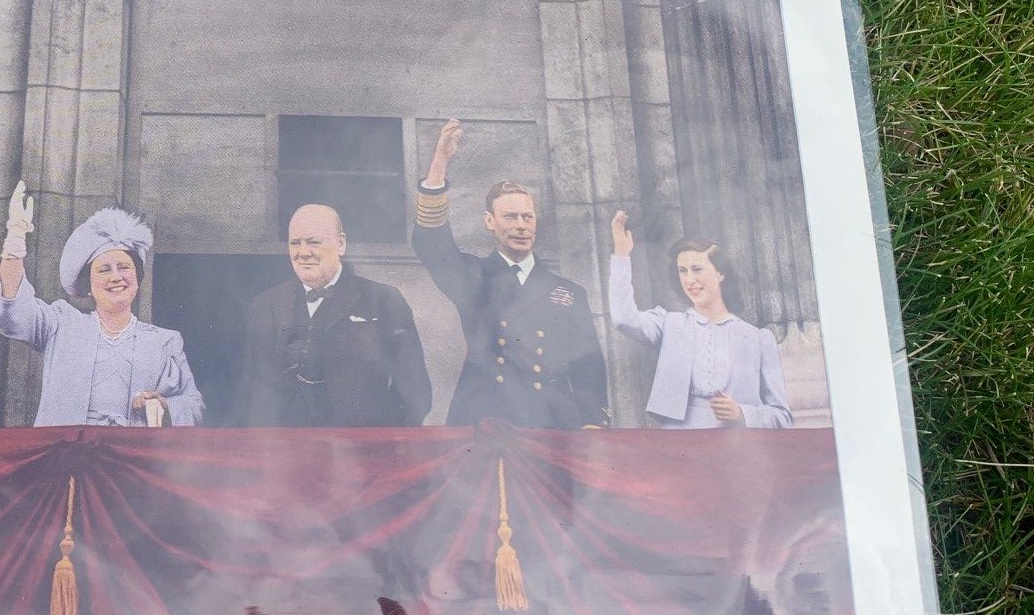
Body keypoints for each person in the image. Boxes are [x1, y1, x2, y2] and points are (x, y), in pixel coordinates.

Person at [412, 119, 608, 429]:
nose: (521, 226)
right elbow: (431, 245)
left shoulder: (568, 292)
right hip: (486, 417)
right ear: (490, 221)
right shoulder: (472, 277)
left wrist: (593, 421)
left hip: (550, 420)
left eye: (527, 217)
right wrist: (439, 165)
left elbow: (588, 364)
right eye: (511, 217)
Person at [0, 184, 203, 426]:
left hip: (131, 449)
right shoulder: (61, 324)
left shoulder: (165, 342)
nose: (116, 277)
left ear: (138, 279)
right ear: (88, 284)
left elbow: (194, 406)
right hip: (66, 447)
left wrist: (164, 405)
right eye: (104, 270)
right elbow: (11, 310)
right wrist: (15, 241)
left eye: (124, 267)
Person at [242, 203, 432, 428]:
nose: (303, 252)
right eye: (295, 243)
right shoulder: (265, 305)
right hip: (287, 445)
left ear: (340, 244)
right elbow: (251, 392)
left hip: (358, 444)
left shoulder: (383, 300)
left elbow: (415, 392)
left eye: (314, 242)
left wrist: (385, 440)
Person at [608, 211, 792, 429]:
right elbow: (623, 318)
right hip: (679, 441)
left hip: (734, 443)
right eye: (682, 271)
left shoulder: (757, 339)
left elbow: (782, 417)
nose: (689, 280)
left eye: (697, 269)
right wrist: (621, 255)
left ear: (720, 273)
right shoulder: (669, 324)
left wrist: (742, 413)